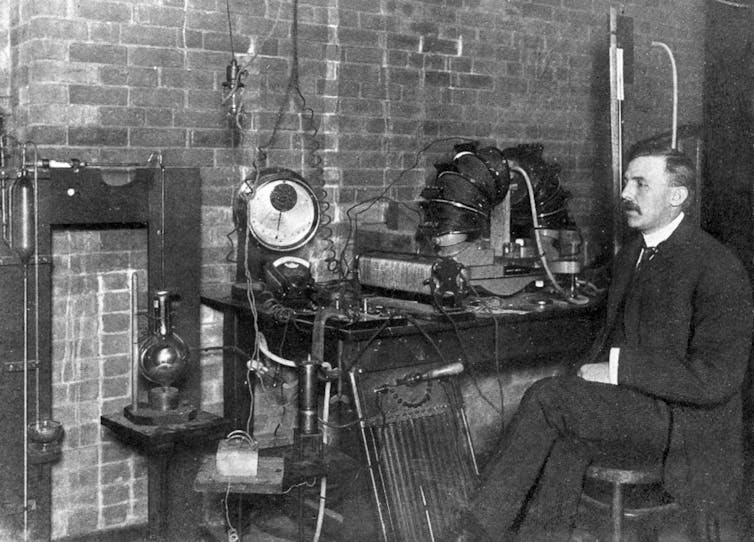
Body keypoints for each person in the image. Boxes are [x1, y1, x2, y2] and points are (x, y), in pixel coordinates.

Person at [446, 147, 754, 541]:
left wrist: (614, 370)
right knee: (563, 443)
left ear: (676, 196)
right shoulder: (633, 253)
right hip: (636, 409)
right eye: (627, 182)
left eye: (640, 184)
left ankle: (474, 533)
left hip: (684, 425)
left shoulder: (717, 267)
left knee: (548, 398)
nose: (626, 193)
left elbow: (716, 380)